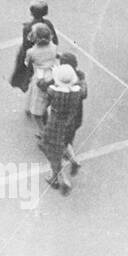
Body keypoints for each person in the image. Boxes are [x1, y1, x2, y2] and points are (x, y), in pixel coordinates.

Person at [39, 64, 86, 194]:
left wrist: (52, 75)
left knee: (50, 150)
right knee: (65, 143)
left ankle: (59, 178)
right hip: (69, 124)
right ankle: (73, 160)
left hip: (55, 125)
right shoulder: (78, 91)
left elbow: (42, 85)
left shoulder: (53, 91)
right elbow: (81, 87)